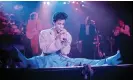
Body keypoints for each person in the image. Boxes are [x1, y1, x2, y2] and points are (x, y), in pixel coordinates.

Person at [13, 12, 122, 68]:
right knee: (38, 60)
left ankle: (107, 61)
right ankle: (25, 62)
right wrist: (59, 40)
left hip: (63, 59)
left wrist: (64, 42)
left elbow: (65, 52)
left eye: (63, 24)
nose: (61, 26)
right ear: (54, 23)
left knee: (82, 61)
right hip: (47, 58)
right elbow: (45, 50)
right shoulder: (44, 33)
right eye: (59, 24)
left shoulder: (67, 34)